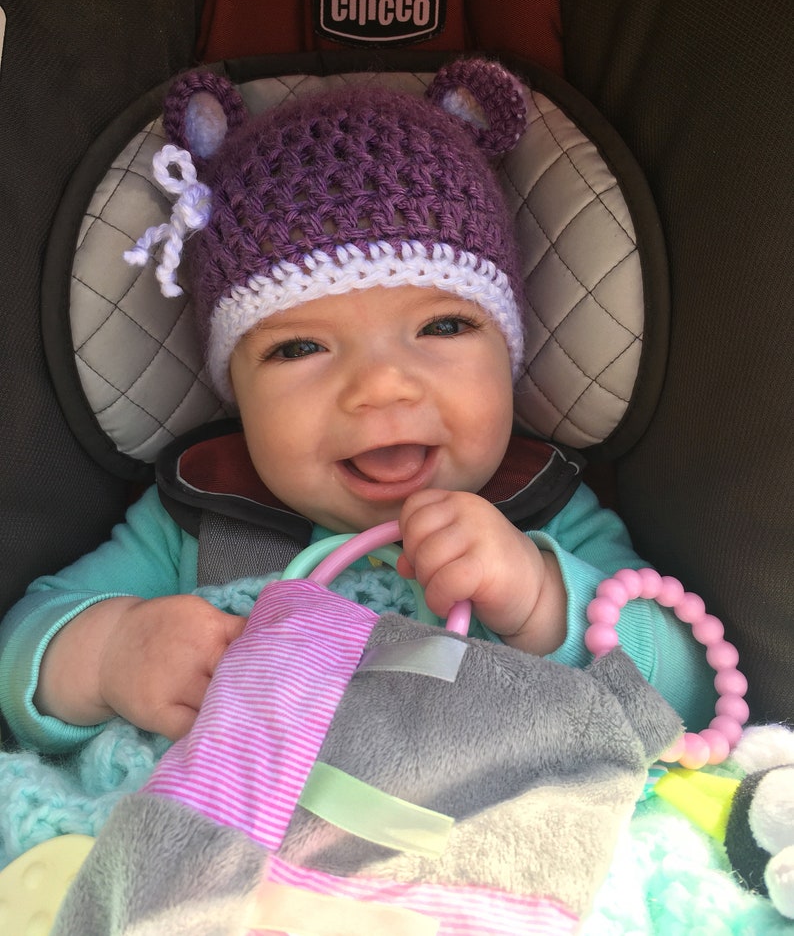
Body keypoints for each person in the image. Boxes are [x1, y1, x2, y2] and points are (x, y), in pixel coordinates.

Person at [0, 58, 717, 756]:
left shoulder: (542, 512)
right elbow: (24, 649)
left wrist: (541, 599)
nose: (380, 387)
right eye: (299, 348)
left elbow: (693, 695)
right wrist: (112, 653)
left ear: (509, 356)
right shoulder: (199, 522)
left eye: (443, 327)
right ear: (235, 394)